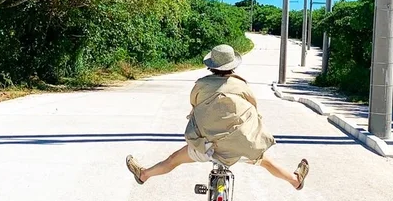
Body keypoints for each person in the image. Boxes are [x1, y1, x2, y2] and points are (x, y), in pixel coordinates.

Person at [125, 44, 309, 189]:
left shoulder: (201, 84)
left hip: (206, 147)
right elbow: (253, 108)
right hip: (241, 148)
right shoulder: (242, 85)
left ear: (211, 66)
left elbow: (194, 105)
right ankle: (294, 180)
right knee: (266, 162)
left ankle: (144, 174)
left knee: (173, 160)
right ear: (233, 65)